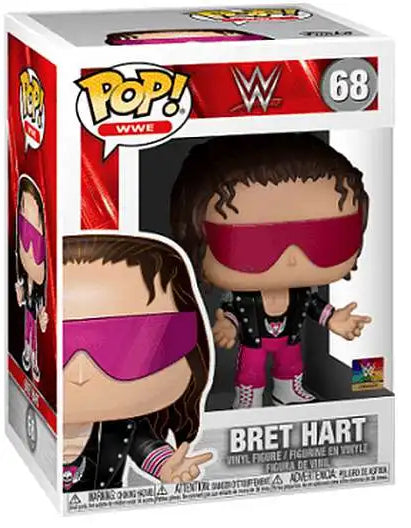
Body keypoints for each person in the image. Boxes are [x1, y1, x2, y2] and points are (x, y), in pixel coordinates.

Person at [170, 133, 371, 408]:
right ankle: (248, 398)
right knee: (250, 369)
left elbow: (314, 306)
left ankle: (288, 391)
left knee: (291, 363)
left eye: (325, 238)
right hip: (254, 342)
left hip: (290, 340)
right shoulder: (245, 298)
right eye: (252, 243)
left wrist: (333, 319)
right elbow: (232, 312)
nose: (291, 259)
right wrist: (228, 325)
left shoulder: (302, 293)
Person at [62, 234, 212, 491]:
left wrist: (167, 466)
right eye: (62, 345)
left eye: (127, 350)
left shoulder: (121, 423)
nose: (79, 375)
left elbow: (145, 447)